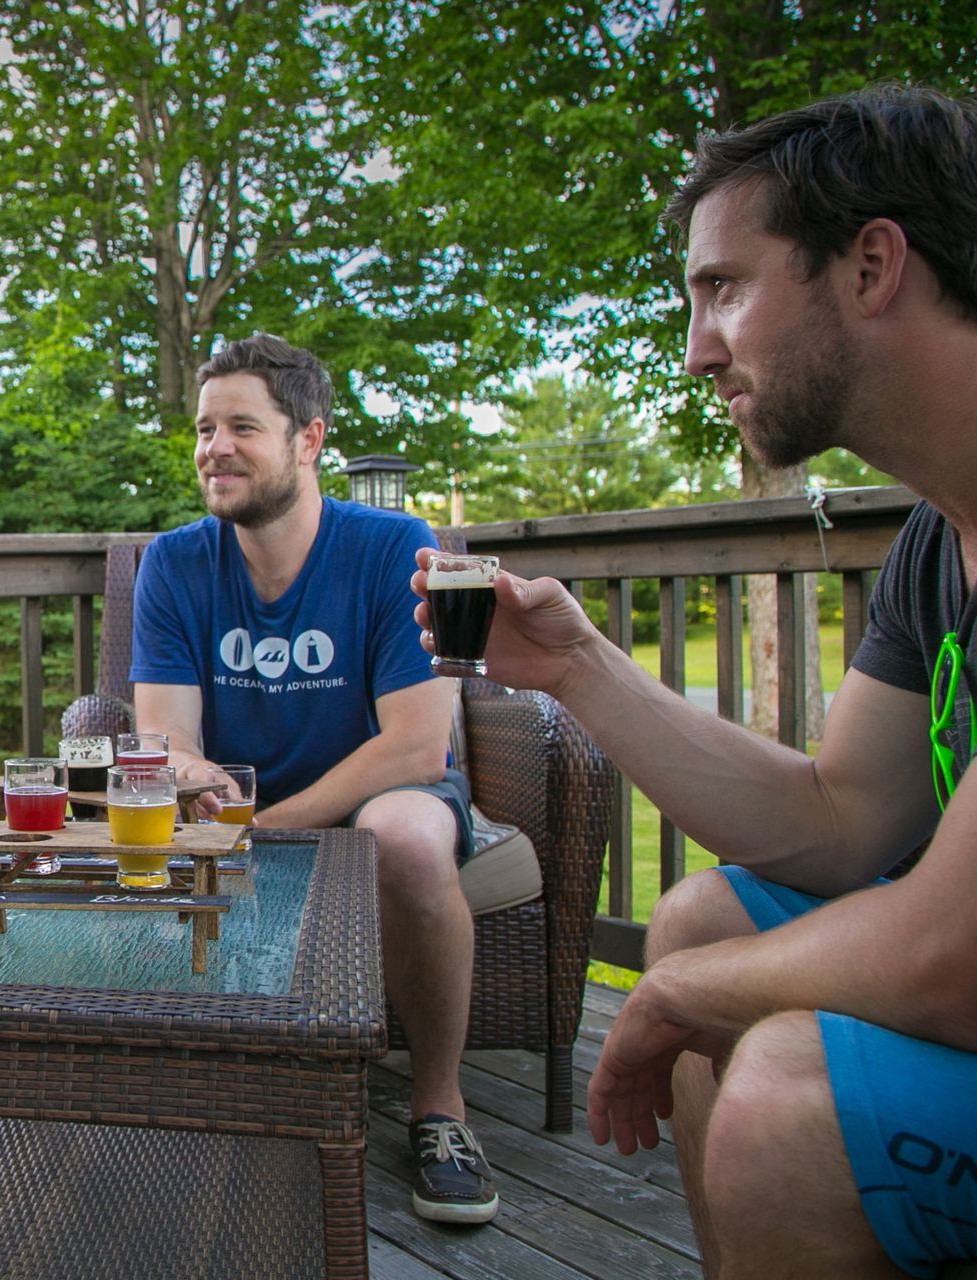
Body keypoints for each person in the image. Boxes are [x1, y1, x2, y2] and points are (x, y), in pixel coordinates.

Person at [411, 86, 977, 1279]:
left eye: (724, 286)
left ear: (873, 262)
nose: (696, 347)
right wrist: (575, 666)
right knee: (700, 912)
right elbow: (838, 819)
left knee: (779, 1090)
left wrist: (675, 999)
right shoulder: (941, 538)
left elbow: (953, 953)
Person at [130, 332, 497, 1224]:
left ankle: (440, 1110)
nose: (214, 447)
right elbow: (164, 736)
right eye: (205, 427)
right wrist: (198, 775)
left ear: (309, 440)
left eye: (242, 427)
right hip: (246, 805)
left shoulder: (393, 546)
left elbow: (416, 746)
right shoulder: (174, 563)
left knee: (403, 834)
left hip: (376, 794)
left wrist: (276, 824)